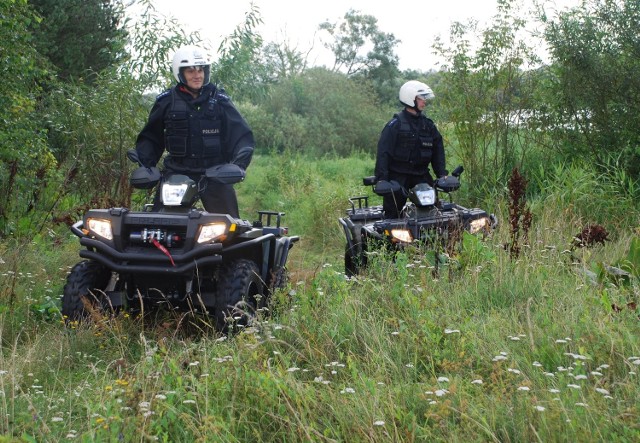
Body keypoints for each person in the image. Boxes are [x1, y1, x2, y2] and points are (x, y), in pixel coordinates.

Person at [135, 45, 255, 217]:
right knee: (161, 223)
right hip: (177, 171)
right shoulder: (166, 101)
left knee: (230, 228)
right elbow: (151, 137)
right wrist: (146, 166)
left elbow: (241, 135)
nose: (197, 75)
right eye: (191, 71)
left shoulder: (220, 100)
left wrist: (237, 165)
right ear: (180, 73)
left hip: (215, 172)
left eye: (200, 70)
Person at [374, 80, 448, 218]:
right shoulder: (394, 125)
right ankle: (389, 239)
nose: (424, 102)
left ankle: (433, 239)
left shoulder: (428, 125)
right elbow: (383, 152)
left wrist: (442, 174)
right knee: (392, 214)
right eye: (421, 98)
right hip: (398, 176)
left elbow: (438, 151)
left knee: (433, 211)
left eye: (424, 98)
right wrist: (382, 179)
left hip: (421, 175)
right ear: (410, 98)